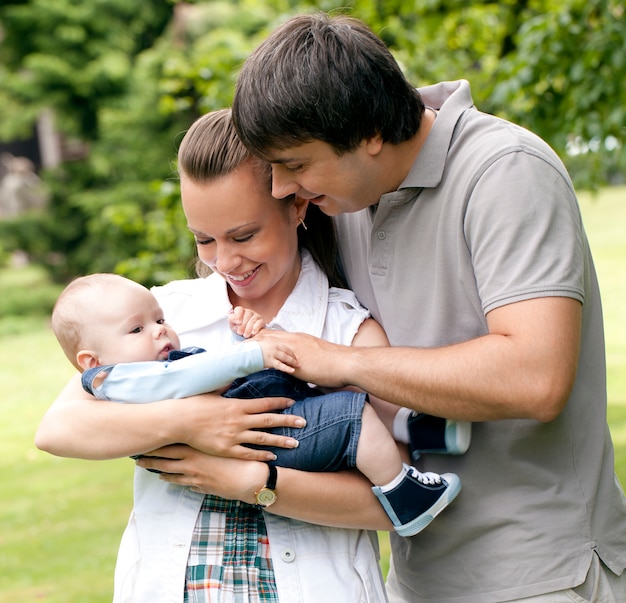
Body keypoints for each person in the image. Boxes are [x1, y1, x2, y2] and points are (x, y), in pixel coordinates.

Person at [229, 12, 626, 603]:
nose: (284, 188)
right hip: (418, 571)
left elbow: (535, 378)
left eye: (296, 164)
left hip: (540, 572)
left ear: (368, 133)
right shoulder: (346, 200)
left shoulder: (505, 172)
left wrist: (342, 362)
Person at [36, 108, 460, 602]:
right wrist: (189, 421)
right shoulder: (160, 316)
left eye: (243, 235)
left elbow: (389, 502)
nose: (225, 261)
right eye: (204, 239)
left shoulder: (348, 330)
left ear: (298, 206)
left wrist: (253, 481)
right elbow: (59, 429)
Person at [51, 271, 461, 536]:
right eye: (138, 328)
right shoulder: (118, 380)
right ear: (92, 361)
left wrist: (245, 341)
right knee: (352, 418)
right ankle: (404, 492)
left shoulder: (140, 364)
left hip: (265, 430)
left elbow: (216, 378)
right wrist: (252, 356)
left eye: (159, 320)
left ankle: (419, 428)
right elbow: (188, 379)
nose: (160, 331)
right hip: (264, 441)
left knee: (328, 398)